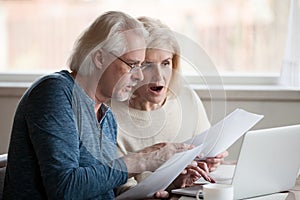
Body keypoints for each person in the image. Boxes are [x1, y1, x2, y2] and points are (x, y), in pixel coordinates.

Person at [2, 11, 196, 200]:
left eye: (140, 66)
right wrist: (141, 161)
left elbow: (103, 190)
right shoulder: (54, 93)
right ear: (100, 58)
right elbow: (64, 189)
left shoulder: (106, 116)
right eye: (132, 65)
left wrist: (165, 185)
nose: (139, 76)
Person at [111, 16, 228, 195]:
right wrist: (169, 187)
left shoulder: (187, 98)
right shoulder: (110, 115)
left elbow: (203, 156)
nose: (159, 77)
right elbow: (122, 189)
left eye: (165, 63)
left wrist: (210, 162)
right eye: (147, 65)